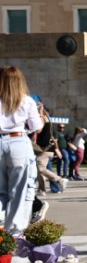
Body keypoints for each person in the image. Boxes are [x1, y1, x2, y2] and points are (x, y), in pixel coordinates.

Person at [0, 66, 43, 235]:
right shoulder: (26, 100)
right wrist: (40, 114)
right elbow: (36, 127)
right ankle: (14, 233)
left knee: (1, 190)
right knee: (19, 190)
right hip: (18, 141)